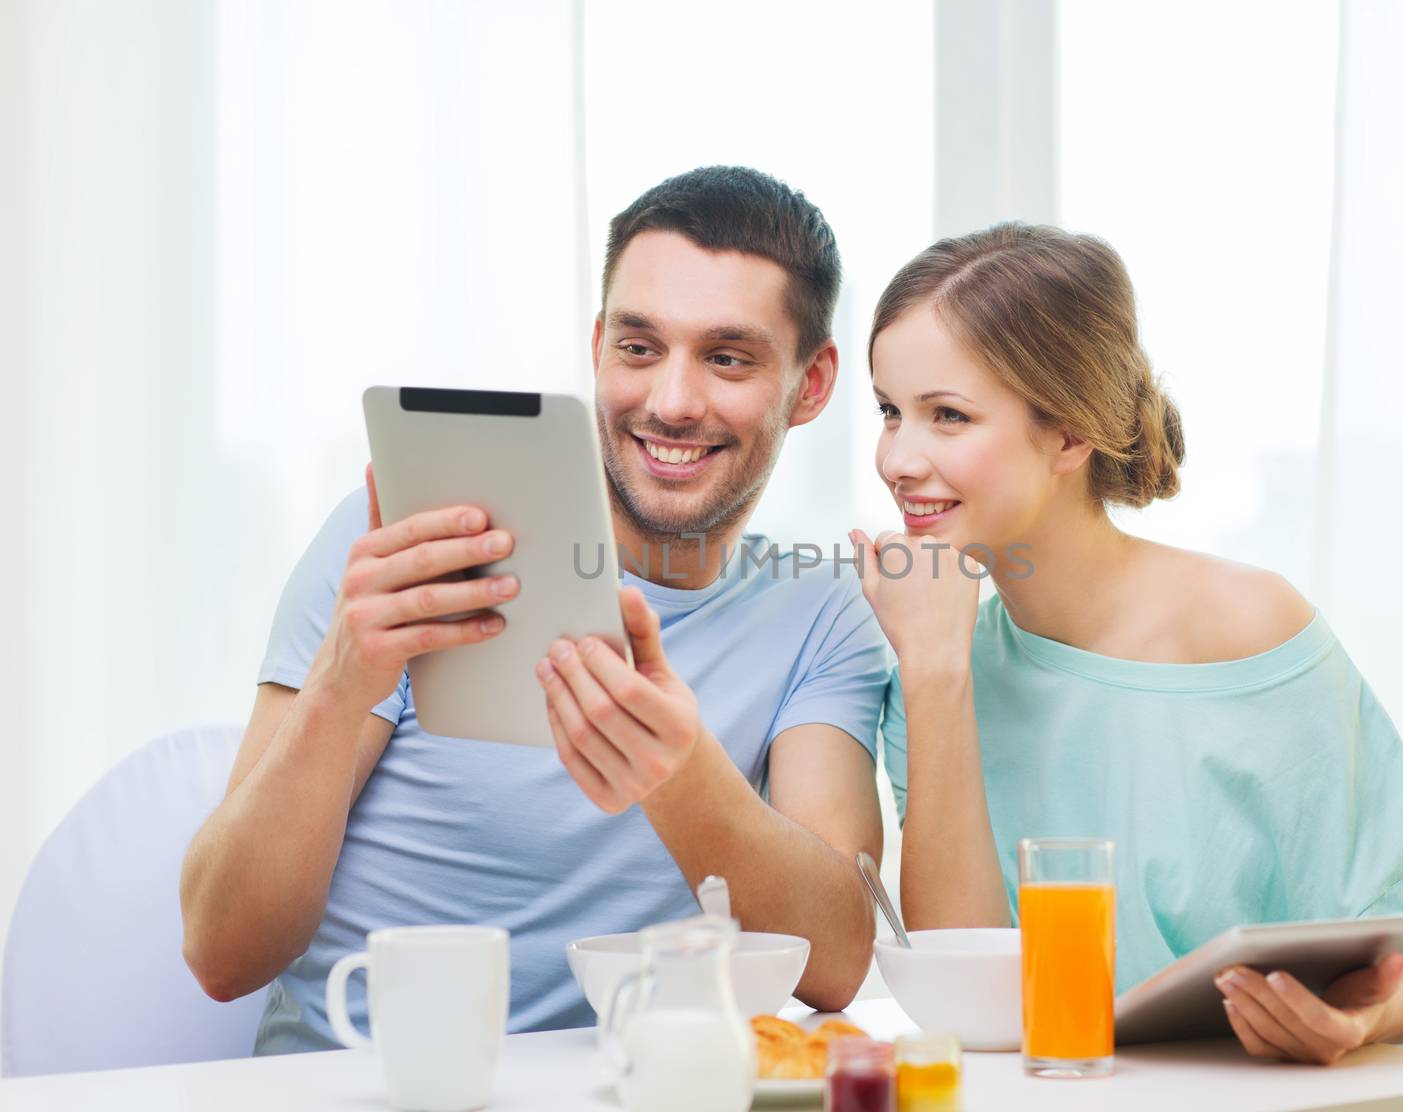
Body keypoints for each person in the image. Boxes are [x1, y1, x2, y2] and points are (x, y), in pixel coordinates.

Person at [181, 166, 889, 1053]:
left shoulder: (819, 615)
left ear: (812, 383)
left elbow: (837, 961)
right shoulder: (414, 540)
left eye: (727, 357)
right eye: (639, 348)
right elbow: (221, 953)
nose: (670, 402)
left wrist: (675, 770)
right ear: (598, 348)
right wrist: (339, 682)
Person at [851, 224, 1403, 1064]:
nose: (898, 456)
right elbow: (973, 1000)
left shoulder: (1248, 630)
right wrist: (933, 674)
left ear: (1069, 435)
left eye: (948, 416)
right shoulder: (938, 668)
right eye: (891, 412)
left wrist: (1353, 1022)